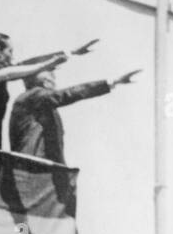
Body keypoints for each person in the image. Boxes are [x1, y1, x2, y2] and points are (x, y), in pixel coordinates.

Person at [8, 61, 141, 164]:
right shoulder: (35, 95)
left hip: (39, 169)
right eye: (49, 73)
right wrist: (111, 83)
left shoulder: (39, 103)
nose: (53, 78)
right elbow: (68, 94)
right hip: (34, 168)